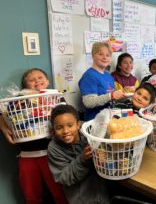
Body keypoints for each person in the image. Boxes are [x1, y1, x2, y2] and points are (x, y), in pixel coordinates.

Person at [0, 68, 68, 204]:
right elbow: (3, 111)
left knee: (61, 193)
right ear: (26, 86)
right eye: (32, 80)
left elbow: (68, 115)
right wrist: (3, 125)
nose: (37, 81)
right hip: (27, 155)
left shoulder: (56, 96)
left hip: (53, 153)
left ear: (47, 81)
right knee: (31, 195)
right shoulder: (20, 99)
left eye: (40, 77)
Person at [48, 104, 109, 204]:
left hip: (104, 194)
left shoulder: (90, 132)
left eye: (70, 125)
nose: (65, 131)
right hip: (82, 199)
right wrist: (82, 159)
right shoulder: (54, 148)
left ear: (78, 124)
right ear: (54, 130)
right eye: (59, 128)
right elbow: (64, 178)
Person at [78, 42, 125, 121]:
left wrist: (122, 96)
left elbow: (111, 99)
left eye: (108, 55)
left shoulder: (109, 76)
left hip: (109, 118)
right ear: (93, 56)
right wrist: (111, 96)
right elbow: (88, 102)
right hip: (95, 121)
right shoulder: (89, 76)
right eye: (100, 54)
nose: (104, 57)